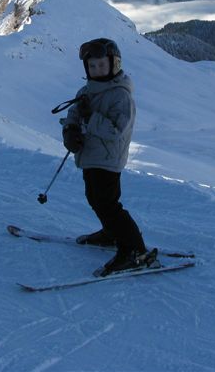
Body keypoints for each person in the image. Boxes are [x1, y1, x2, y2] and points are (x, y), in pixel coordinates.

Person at [60, 38, 157, 276]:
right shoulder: (86, 91)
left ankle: (135, 250)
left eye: (102, 65)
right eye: (92, 66)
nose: (97, 70)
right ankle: (111, 233)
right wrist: (70, 130)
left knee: (109, 204)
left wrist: (90, 117)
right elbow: (73, 114)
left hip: (108, 158)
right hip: (89, 155)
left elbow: (116, 131)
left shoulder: (120, 96)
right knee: (94, 198)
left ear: (114, 64)